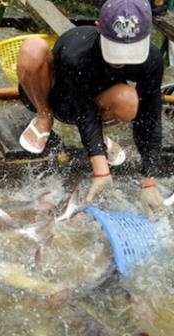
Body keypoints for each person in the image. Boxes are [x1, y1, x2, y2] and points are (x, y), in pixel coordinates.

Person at [16, 0, 165, 218]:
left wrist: (149, 180)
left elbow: (150, 115)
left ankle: (101, 138)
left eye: (129, 50)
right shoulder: (75, 54)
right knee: (32, 48)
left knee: (129, 101)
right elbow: (83, 110)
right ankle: (44, 116)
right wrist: (101, 168)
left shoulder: (151, 60)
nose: (121, 60)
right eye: (116, 48)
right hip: (60, 98)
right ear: (98, 27)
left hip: (100, 99)